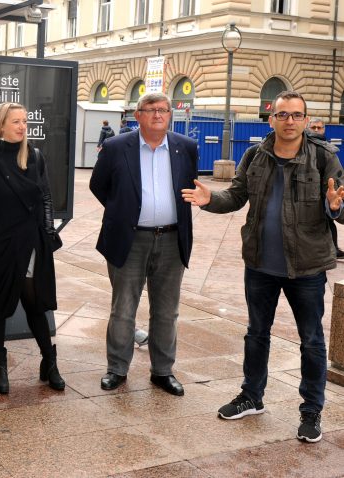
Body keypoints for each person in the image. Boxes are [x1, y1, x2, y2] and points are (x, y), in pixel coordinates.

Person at [182, 90, 344, 443]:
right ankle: (252, 396)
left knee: (312, 340)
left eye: (296, 115)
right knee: (257, 333)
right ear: (271, 118)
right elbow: (236, 196)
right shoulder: (256, 155)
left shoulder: (322, 158)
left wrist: (335, 206)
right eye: (282, 115)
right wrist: (211, 199)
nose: (289, 121)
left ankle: (311, 411)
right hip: (259, 264)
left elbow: (340, 204)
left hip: (307, 267)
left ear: (305, 119)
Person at [90, 92, 198, 396]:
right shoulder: (115, 147)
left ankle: (163, 371)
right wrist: (123, 211)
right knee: (123, 308)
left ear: (169, 115)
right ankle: (117, 369)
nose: (157, 115)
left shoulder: (185, 148)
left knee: (166, 311)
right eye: (150, 110)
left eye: (163, 110)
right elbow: (98, 185)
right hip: (129, 238)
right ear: (137, 116)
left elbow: (189, 188)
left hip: (172, 238)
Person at [0, 102, 65, 394]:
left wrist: (48, 232)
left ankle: (49, 362)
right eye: (16, 122)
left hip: (32, 244)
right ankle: (0, 367)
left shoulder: (35, 156)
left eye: (25, 121)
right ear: (1, 126)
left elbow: (46, 198)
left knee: (35, 302)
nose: (23, 126)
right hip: (0, 245)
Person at [307, 118, 344, 258]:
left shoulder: (328, 151)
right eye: (313, 127)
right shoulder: (302, 147)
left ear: (324, 129)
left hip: (325, 194)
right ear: (307, 127)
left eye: (319, 128)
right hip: (310, 196)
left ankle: (333, 249)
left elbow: (336, 178)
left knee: (329, 222)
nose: (316, 130)